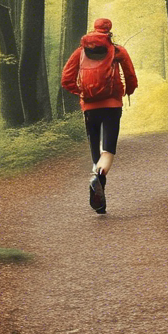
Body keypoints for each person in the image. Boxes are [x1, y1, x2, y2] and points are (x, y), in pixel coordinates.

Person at [60, 18, 138, 214]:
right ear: (109, 31)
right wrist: (128, 90)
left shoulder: (80, 52)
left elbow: (66, 79)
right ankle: (96, 179)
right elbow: (130, 76)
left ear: (93, 30)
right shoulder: (117, 50)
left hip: (89, 108)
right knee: (108, 151)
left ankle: (99, 199)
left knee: (95, 151)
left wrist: (80, 92)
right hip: (112, 105)